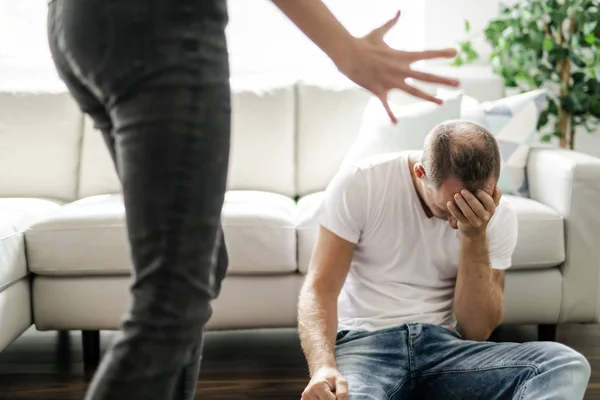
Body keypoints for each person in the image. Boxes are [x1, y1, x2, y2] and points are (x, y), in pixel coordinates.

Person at [46, 0, 460, 399]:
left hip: (81, 21)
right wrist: (345, 50)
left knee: (202, 266)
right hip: (159, 24)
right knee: (173, 294)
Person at [298, 120, 591, 400]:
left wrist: (475, 236)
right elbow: (319, 287)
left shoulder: (496, 215)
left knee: (564, 363)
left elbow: (478, 330)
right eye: (448, 209)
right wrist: (323, 366)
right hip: (366, 345)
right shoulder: (362, 182)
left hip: (444, 350)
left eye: (471, 206)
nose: (458, 219)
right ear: (420, 172)